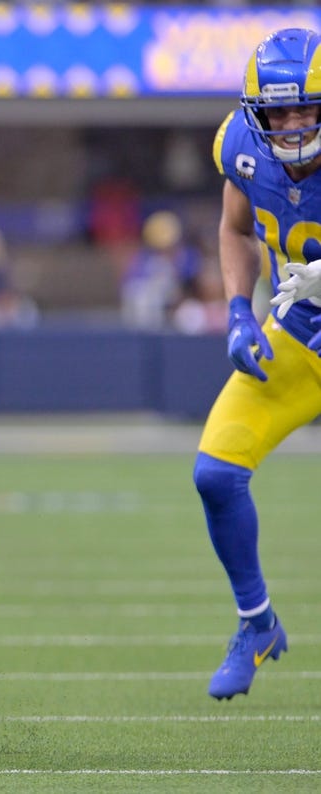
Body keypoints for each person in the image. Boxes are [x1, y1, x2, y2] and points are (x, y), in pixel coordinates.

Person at [196, 27, 321, 700]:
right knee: (216, 473)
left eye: (308, 109)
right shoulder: (240, 146)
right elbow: (237, 229)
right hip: (302, 333)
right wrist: (239, 311)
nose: (295, 125)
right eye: (281, 112)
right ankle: (257, 624)